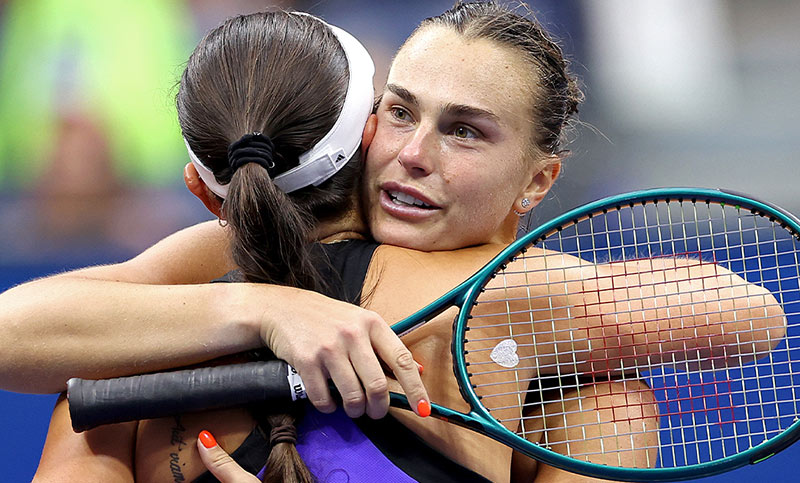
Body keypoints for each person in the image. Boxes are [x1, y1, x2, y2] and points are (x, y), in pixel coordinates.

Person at [6, 2, 784, 482]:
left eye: (466, 131)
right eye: (403, 113)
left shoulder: (522, 310)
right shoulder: (204, 273)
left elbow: (750, 313)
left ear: (538, 182)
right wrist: (269, 312)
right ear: (364, 128)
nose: (416, 154)